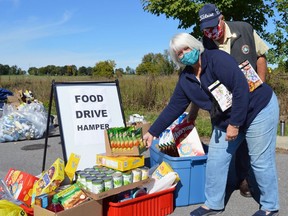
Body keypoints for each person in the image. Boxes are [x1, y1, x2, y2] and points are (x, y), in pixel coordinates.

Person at [143, 33, 279, 216]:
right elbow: (174, 107)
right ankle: (213, 204)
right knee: (216, 160)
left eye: (186, 48)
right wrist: (153, 131)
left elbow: (240, 87)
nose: (184, 54)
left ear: (195, 46)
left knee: (260, 161)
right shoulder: (186, 79)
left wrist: (235, 124)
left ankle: (270, 207)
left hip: (258, 109)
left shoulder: (217, 59)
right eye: (179, 53)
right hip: (227, 118)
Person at [188, 3, 270, 198]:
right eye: (206, 29)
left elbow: (261, 56)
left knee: (252, 139)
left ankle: (251, 180)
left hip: (250, 93)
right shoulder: (205, 43)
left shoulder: (245, 29)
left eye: (213, 26)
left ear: (222, 18)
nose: (211, 32)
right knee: (231, 138)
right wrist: (191, 115)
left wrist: (261, 85)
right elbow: (199, 78)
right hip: (223, 99)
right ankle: (234, 180)